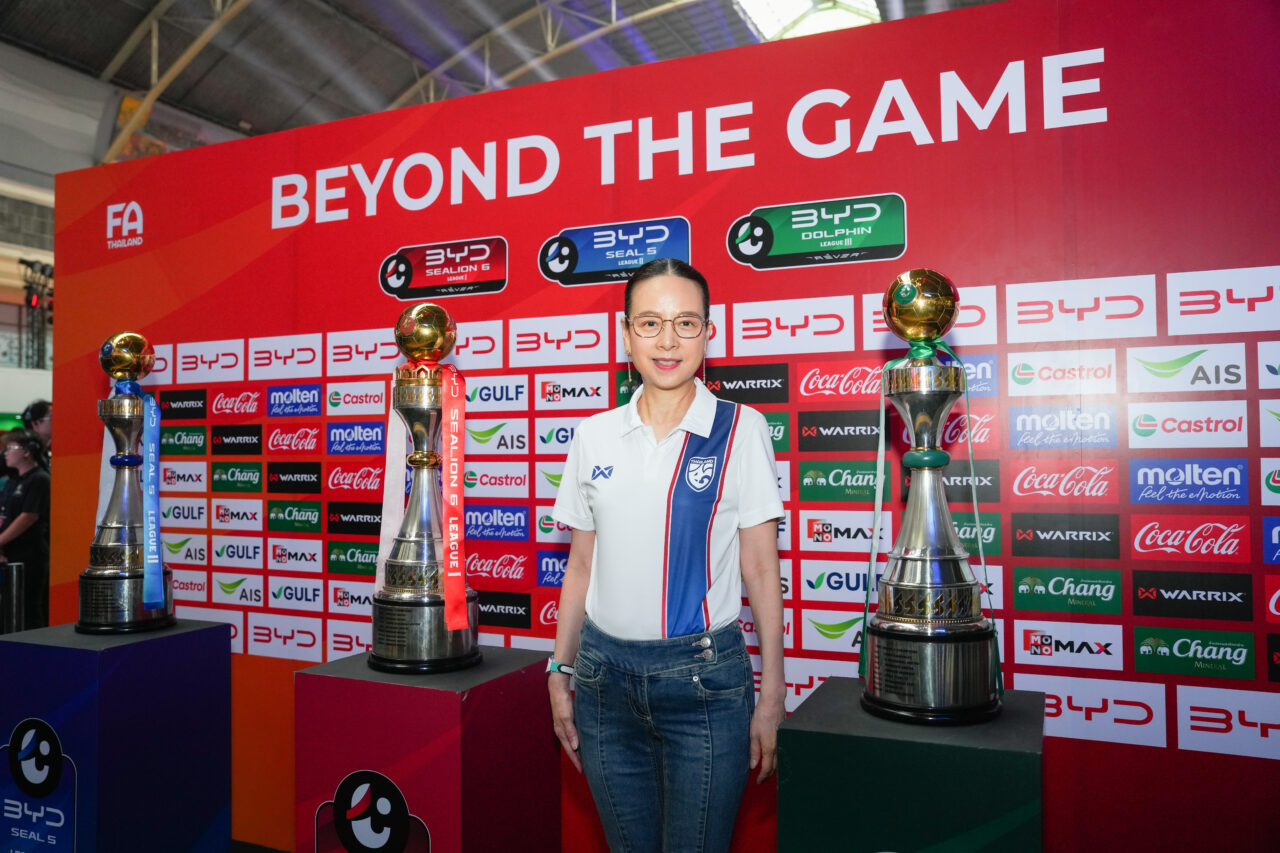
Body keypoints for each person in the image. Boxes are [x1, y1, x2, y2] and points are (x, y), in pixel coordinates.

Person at [548, 258, 786, 853]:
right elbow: (580, 567)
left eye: (686, 323)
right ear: (625, 334)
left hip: (704, 685)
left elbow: (761, 569)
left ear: (709, 332)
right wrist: (560, 670)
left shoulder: (741, 429)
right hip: (602, 682)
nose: (668, 340)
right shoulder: (594, 434)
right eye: (650, 323)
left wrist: (773, 694)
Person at [0, 429, 52, 628]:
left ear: (26, 452)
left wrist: (0, 541)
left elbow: (28, 516)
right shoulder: (13, 480)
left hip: (30, 554)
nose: (5, 453)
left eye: (10, 448)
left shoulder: (39, 479)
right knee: (9, 608)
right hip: (10, 553)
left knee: (29, 608)